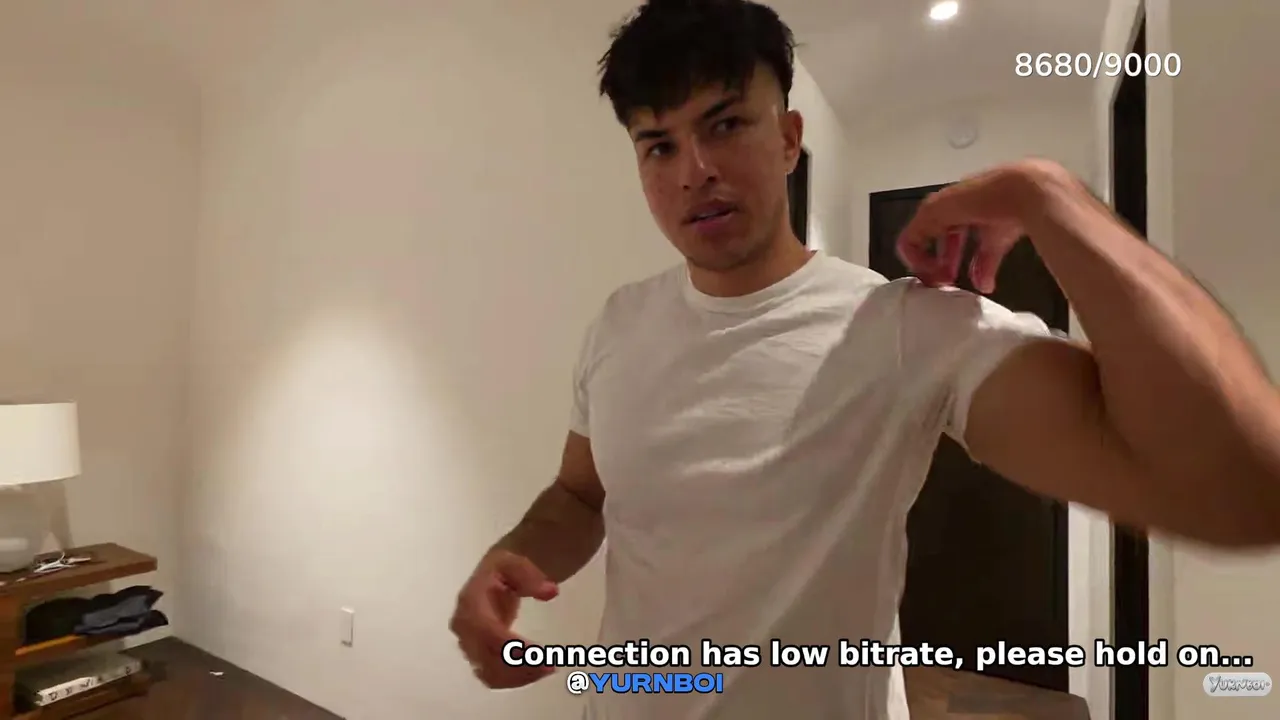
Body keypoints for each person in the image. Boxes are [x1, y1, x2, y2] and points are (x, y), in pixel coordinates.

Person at [449, 0, 1280, 717]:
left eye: (725, 125)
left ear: (788, 139)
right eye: (658, 145)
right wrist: (516, 556)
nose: (695, 171)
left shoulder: (905, 329)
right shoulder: (619, 325)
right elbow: (580, 494)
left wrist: (1051, 199)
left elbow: (1241, 489)